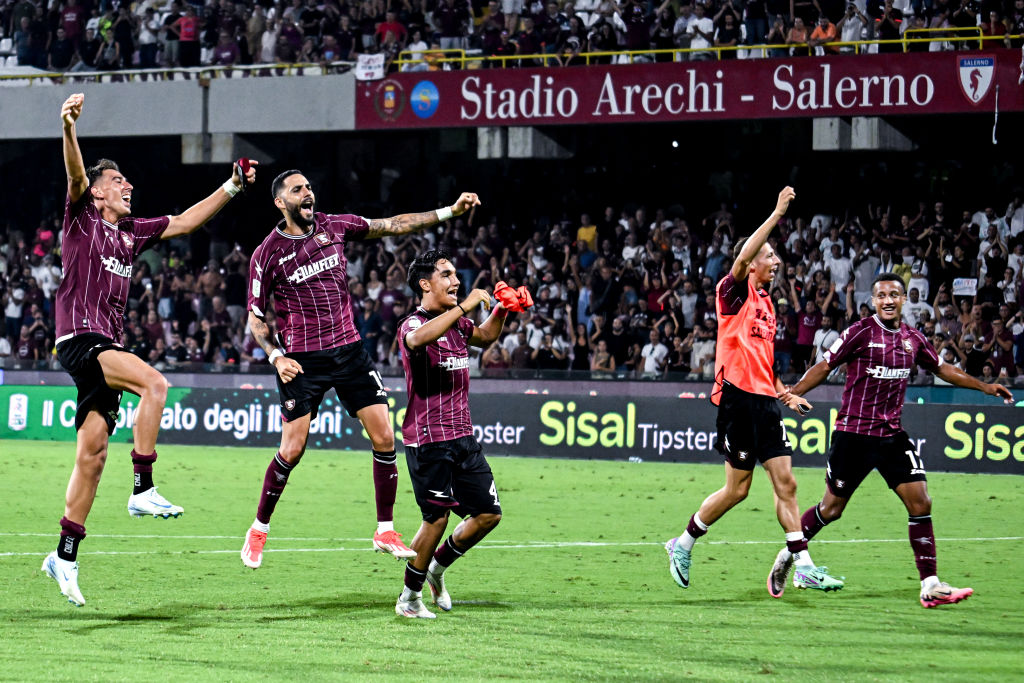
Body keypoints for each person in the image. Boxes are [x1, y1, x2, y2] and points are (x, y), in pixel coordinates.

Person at [41, 93, 256, 607]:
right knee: (154, 382)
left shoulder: (131, 234)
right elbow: (74, 174)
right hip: (81, 338)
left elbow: (184, 222)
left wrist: (230, 186)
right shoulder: (81, 218)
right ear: (97, 193)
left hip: (104, 346)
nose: (127, 185)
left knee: (91, 458)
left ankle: (64, 558)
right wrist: (68, 127)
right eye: (117, 181)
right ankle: (142, 486)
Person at [239, 169, 480, 569]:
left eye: (309, 186)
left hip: (350, 351)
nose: (307, 192)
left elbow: (393, 225)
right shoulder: (267, 254)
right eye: (297, 189)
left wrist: (449, 211)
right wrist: (274, 355)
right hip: (304, 360)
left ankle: (384, 529)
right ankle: (259, 528)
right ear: (281, 202)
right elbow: (256, 317)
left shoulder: (335, 226)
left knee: (385, 438)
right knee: (292, 449)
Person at [780, 273, 1014, 607]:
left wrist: (985, 386)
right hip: (853, 435)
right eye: (881, 296)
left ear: (904, 299)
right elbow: (825, 365)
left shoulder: (913, 338)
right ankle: (792, 551)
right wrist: (793, 393)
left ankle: (930, 584)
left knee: (921, 502)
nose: (888, 300)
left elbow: (943, 370)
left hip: (891, 436)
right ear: (873, 301)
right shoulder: (859, 332)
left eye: (894, 294)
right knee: (831, 510)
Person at [665, 187, 844, 596]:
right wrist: (778, 213)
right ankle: (683, 543)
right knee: (738, 490)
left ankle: (804, 566)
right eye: (770, 256)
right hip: (735, 402)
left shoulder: (768, 305)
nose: (775, 261)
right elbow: (744, 257)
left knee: (788, 483)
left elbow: (765, 364)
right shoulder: (733, 293)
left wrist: (786, 393)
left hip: (764, 403)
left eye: (775, 256)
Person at [393, 250, 512, 618]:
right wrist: (465, 307)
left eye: (455, 275)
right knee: (437, 518)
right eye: (446, 275)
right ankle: (408, 599)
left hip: (462, 437)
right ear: (425, 284)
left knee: (488, 514)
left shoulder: (458, 325)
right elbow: (418, 341)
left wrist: (505, 307)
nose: (456, 281)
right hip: (429, 440)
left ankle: (436, 567)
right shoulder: (411, 325)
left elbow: (486, 334)